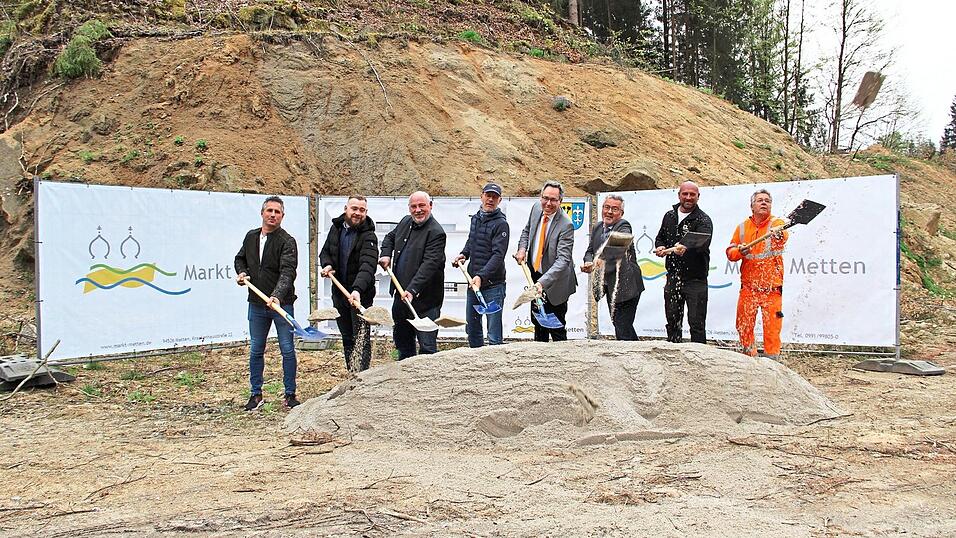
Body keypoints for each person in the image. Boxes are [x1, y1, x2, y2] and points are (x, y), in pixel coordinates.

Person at [234, 195, 300, 411]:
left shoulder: (287, 241)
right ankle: (256, 394)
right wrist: (242, 272)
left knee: (287, 350)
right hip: (256, 304)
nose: (273, 215)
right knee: (256, 349)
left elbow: (288, 272)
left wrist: (277, 296)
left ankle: (290, 395)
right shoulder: (250, 237)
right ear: (262, 213)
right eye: (269, 211)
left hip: (281, 305)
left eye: (277, 212)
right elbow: (239, 258)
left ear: (282, 216)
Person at [379, 191, 446, 359]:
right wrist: (386, 253)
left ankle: (426, 383)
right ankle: (405, 382)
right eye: (414, 206)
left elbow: (429, 265)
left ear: (430, 206)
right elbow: (389, 237)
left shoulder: (436, 232)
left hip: (426, 302)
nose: (418, 210)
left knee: (427, 349)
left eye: (422, 205)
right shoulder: (405, 222)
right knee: (403, 346)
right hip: (401, 298)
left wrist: (413, 289)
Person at [726, 189, 789, 359]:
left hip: (771, 288)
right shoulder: (742, 228)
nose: (764, 203)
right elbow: (730, 252)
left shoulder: (777, 224)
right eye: (760, 200)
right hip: (749, 287)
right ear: (752, 206)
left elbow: (783, 236)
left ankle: (773, 363)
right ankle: (750, 359)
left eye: (767, 200)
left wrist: (778, 235)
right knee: (743, 325)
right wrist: (739, 251)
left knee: (772, 329)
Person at [319, 195, 379, 372]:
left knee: (361, 339)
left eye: (362, 210)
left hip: (360, 297)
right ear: (346, 209)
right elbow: (325, 252)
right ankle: (351, 374)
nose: (357, 213)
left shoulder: (369, 236)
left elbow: (368, 266)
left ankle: (363, 378)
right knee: (346, 337)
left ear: (366, 213)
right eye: (354, 209)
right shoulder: (336, 229)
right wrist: (327, 264)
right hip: (339, 293)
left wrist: (357, 290)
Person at [515, 180, 577, 341]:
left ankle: (563, 362)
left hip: (556, 282)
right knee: (538, 323)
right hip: (535, 275)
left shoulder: (566, 225)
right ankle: (540, 362)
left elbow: (563, 261)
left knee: (556, 328)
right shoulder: (536, 208)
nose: (548, 203)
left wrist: (542, 284)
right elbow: (527, 231)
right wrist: (522, 249)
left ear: (560, 201)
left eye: (553, 200)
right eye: (545, 198)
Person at [654, 181, 713, 344]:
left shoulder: (703, 219)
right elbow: (660, 237)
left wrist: (687, 248)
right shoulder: (669, 216)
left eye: (692, 194)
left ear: (698, 197)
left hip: (696, 279)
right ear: (679, 195)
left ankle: (700, 360)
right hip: (673, 277)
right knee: (673, 320)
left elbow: (703, 244)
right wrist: (660, 246)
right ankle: (674, 356)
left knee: (696, 323)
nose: (688, 197)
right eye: (685, 194)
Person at [452, 182, 509, 347]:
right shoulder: (476, 218)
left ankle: (495, 368)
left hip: (493, 286)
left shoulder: (501, 224)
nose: (490, 199)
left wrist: (481, 276)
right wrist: (464, 254)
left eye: (494, 197)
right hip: (473, 282)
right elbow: (472, 241)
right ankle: (475, 365)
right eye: (488, 195)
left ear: (499, 200)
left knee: (494, 333)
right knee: (473, 328)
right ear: (482, 196)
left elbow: (498, 255)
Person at [582, 194, 643, 340]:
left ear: (621, 213)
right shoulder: (597, 227)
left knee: (622, 326)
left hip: (627, 286)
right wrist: (588, 262)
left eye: (614, 209)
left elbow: (618, 246)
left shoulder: (623, 226)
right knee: (620, 325)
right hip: (610, 285)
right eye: (606, 207)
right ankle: (637, 354)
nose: (609, 212)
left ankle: (632, 358)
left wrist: (597, 262)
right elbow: (590, 251)